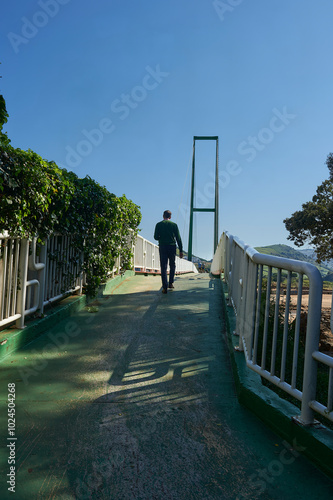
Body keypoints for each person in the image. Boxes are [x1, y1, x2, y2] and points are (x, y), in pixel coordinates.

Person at [154, 210, 183, 294]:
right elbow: (178, 238)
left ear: (163, 216)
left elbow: (155, 237)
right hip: (172, 246)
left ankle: (164, 287)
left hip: (163, 246)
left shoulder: (158, 225)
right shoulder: (174, 225)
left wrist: (161, 237)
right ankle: (170, 283)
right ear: (170, 217)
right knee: (172, 265)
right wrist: (181, 250)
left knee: (163, 266)